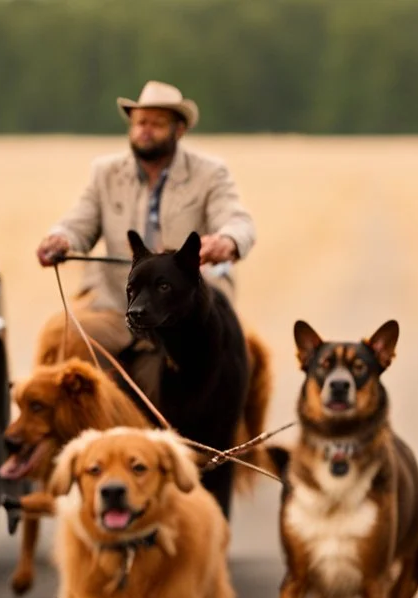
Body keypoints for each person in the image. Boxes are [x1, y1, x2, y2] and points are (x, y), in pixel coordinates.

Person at [35, 80, 257, 397]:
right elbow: (78, 222)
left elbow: (238, 221)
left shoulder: (210, 174)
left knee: (170, 389)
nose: (145, 130)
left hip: (181, 317)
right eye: (140, 122)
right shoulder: (105, 173)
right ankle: (54, 432)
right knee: (58, 335)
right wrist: (60, 238)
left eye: (156, 123)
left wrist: (228, 241)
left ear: (179, 130)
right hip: (117, 308)